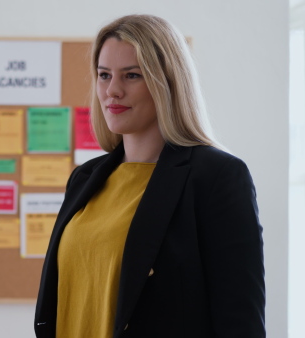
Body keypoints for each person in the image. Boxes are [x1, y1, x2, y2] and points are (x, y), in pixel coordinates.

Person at [34, 14, 265, 338]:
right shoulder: (85, 178)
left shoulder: (217, 177)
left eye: (131, 75)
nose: (112, 90)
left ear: (167, 81)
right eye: (104, 75)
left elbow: (241, 323)